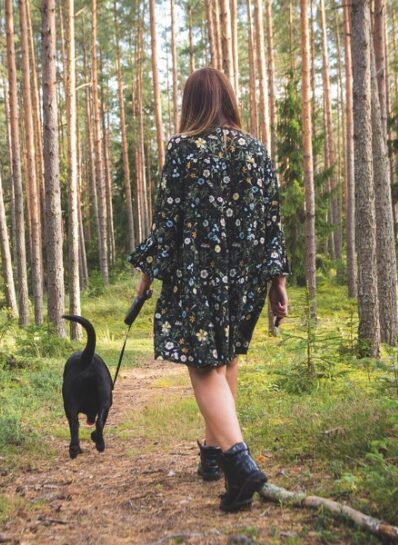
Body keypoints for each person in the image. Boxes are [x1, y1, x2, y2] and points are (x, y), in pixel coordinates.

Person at [128, 67, 290, 512]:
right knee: (226, 357)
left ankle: (240, 463)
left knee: (204, 365)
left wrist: (147, 274)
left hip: (198, 272)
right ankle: (215, 454)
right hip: (245, 275)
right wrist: (278, 281)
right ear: (229, 100)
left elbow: (168, 221)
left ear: (191, 103)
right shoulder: (257, 151)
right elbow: (273, 224)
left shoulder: (183, 149)